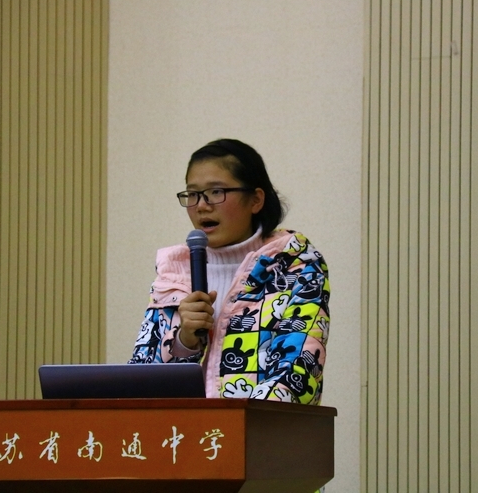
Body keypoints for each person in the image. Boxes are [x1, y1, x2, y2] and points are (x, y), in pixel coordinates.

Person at [128, 139, 330, 405]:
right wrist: (183, 342)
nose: (202, 206)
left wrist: (233, 422)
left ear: (256, 200)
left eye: (216, 192)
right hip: (182, 430)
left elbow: (298, 372)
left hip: (260, 427)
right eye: (192, 194)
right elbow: (140, 381)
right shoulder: (174, 274)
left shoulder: (296, 267)